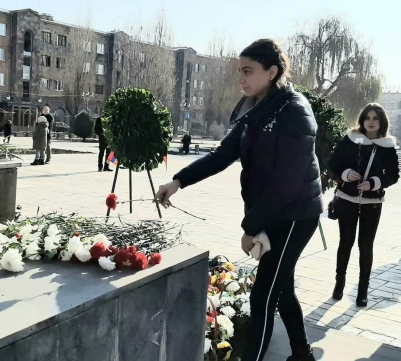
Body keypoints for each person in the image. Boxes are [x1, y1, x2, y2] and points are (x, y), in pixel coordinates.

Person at [156, 39, 323, 361]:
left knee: (263, 297)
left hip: (295, 215)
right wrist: (178, 181)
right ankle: (302, 354)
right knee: (281, 288)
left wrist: (251, 228)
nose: (241, 79)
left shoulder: (294, 112)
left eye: (248, 71)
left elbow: (285, 185)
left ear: (272, 72)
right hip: (272, 211)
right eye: (239, 72)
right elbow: (223, 154)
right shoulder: (255, 109)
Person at [328, 103, 399, 307]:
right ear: (362, 120)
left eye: (375, 118)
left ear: (382, 121)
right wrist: (344, 174)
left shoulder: (387, 146)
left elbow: (393, 175)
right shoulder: (351, 139)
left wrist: (374, 183)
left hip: (372, 203)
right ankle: (339, 285)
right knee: (345, 242)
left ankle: (362, 291)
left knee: (366, 246)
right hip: (347, 200)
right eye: (367, 117)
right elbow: (333, 164)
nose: (371, 121)